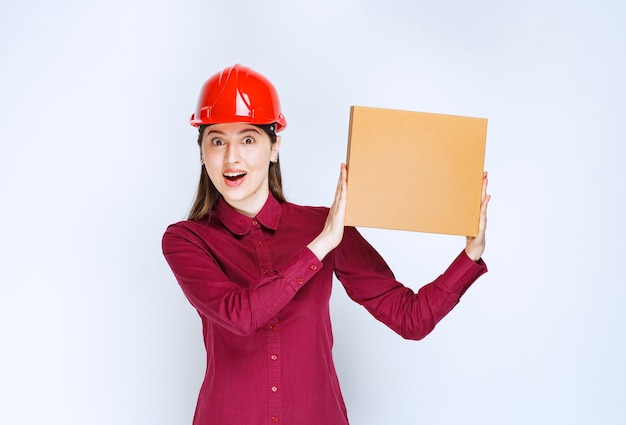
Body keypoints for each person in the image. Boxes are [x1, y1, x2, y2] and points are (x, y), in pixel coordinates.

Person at [162, 64, 490, 425]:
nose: (231, 158)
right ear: (202, 152)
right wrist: (320, 246)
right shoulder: (186, 239)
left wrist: (469, 255)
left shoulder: (324, 226)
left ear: (275, 148)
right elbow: (241, 317)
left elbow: (410, 319)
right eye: (217, 140)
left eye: (249, 139)